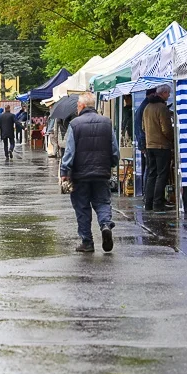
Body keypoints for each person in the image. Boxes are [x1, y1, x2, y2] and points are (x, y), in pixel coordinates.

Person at [60, 92, 119, 253]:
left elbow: (69, 152)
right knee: (102, 202)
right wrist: (112, 164)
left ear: (82, 106)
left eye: (78, 105)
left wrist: (64, 171)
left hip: (80, 174)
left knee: (82, 207)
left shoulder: (75, 124)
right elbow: (114, 150)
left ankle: (87, 242)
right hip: (102, 172)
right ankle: (105, 225)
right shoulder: (107, 123)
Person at [142, 84, 173, 212]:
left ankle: (148, 203)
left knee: (151, 174)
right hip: (161, 146)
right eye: (168, 94)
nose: (169, 96)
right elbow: (166, 129)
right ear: (164, 93)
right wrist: (171, 138)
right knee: (162, 175)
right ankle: (158, 203)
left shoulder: (147, 107)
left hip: (150, 145)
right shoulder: (162, 108)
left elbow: (143, 128)